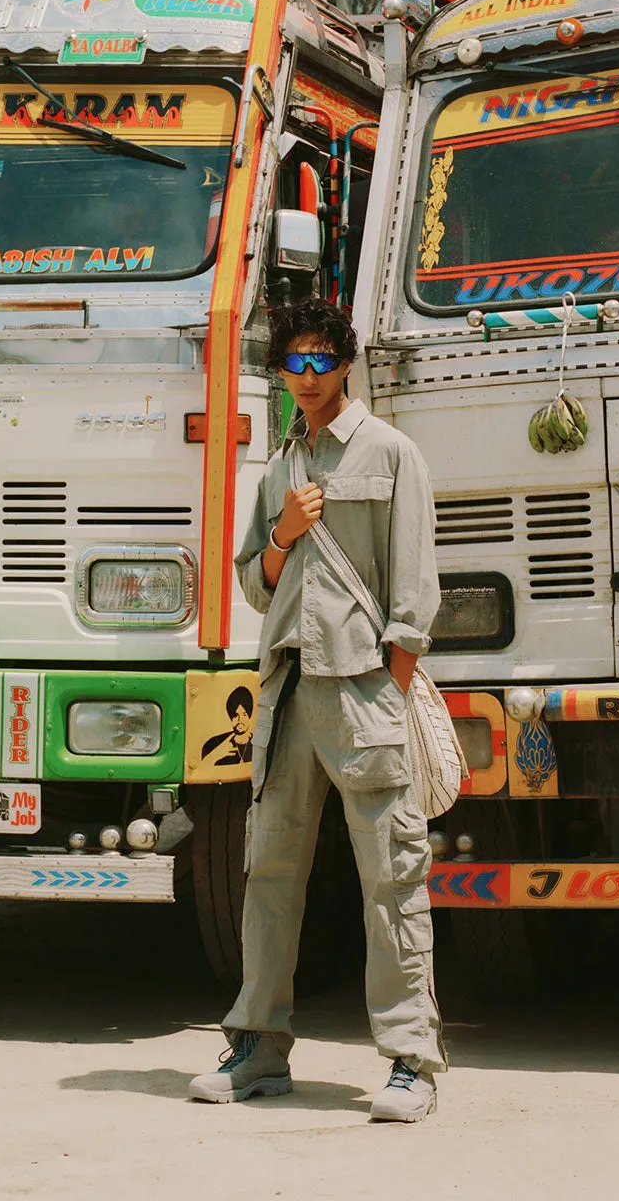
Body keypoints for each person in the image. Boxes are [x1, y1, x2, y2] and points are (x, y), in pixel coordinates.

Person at [189, 298, 445, 1122]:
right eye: (290, 363)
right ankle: (258, 1046)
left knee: (391, 876)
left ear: (344, 363)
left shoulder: (392, 454)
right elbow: (254, 585)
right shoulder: (280, 467)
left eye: (317, 361)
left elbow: (414, 594)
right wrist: (284, 534)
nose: (303, 377)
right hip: (288, 687)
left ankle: (411, 1060)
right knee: (268, 872)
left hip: (362, 685)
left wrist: (390, 688)